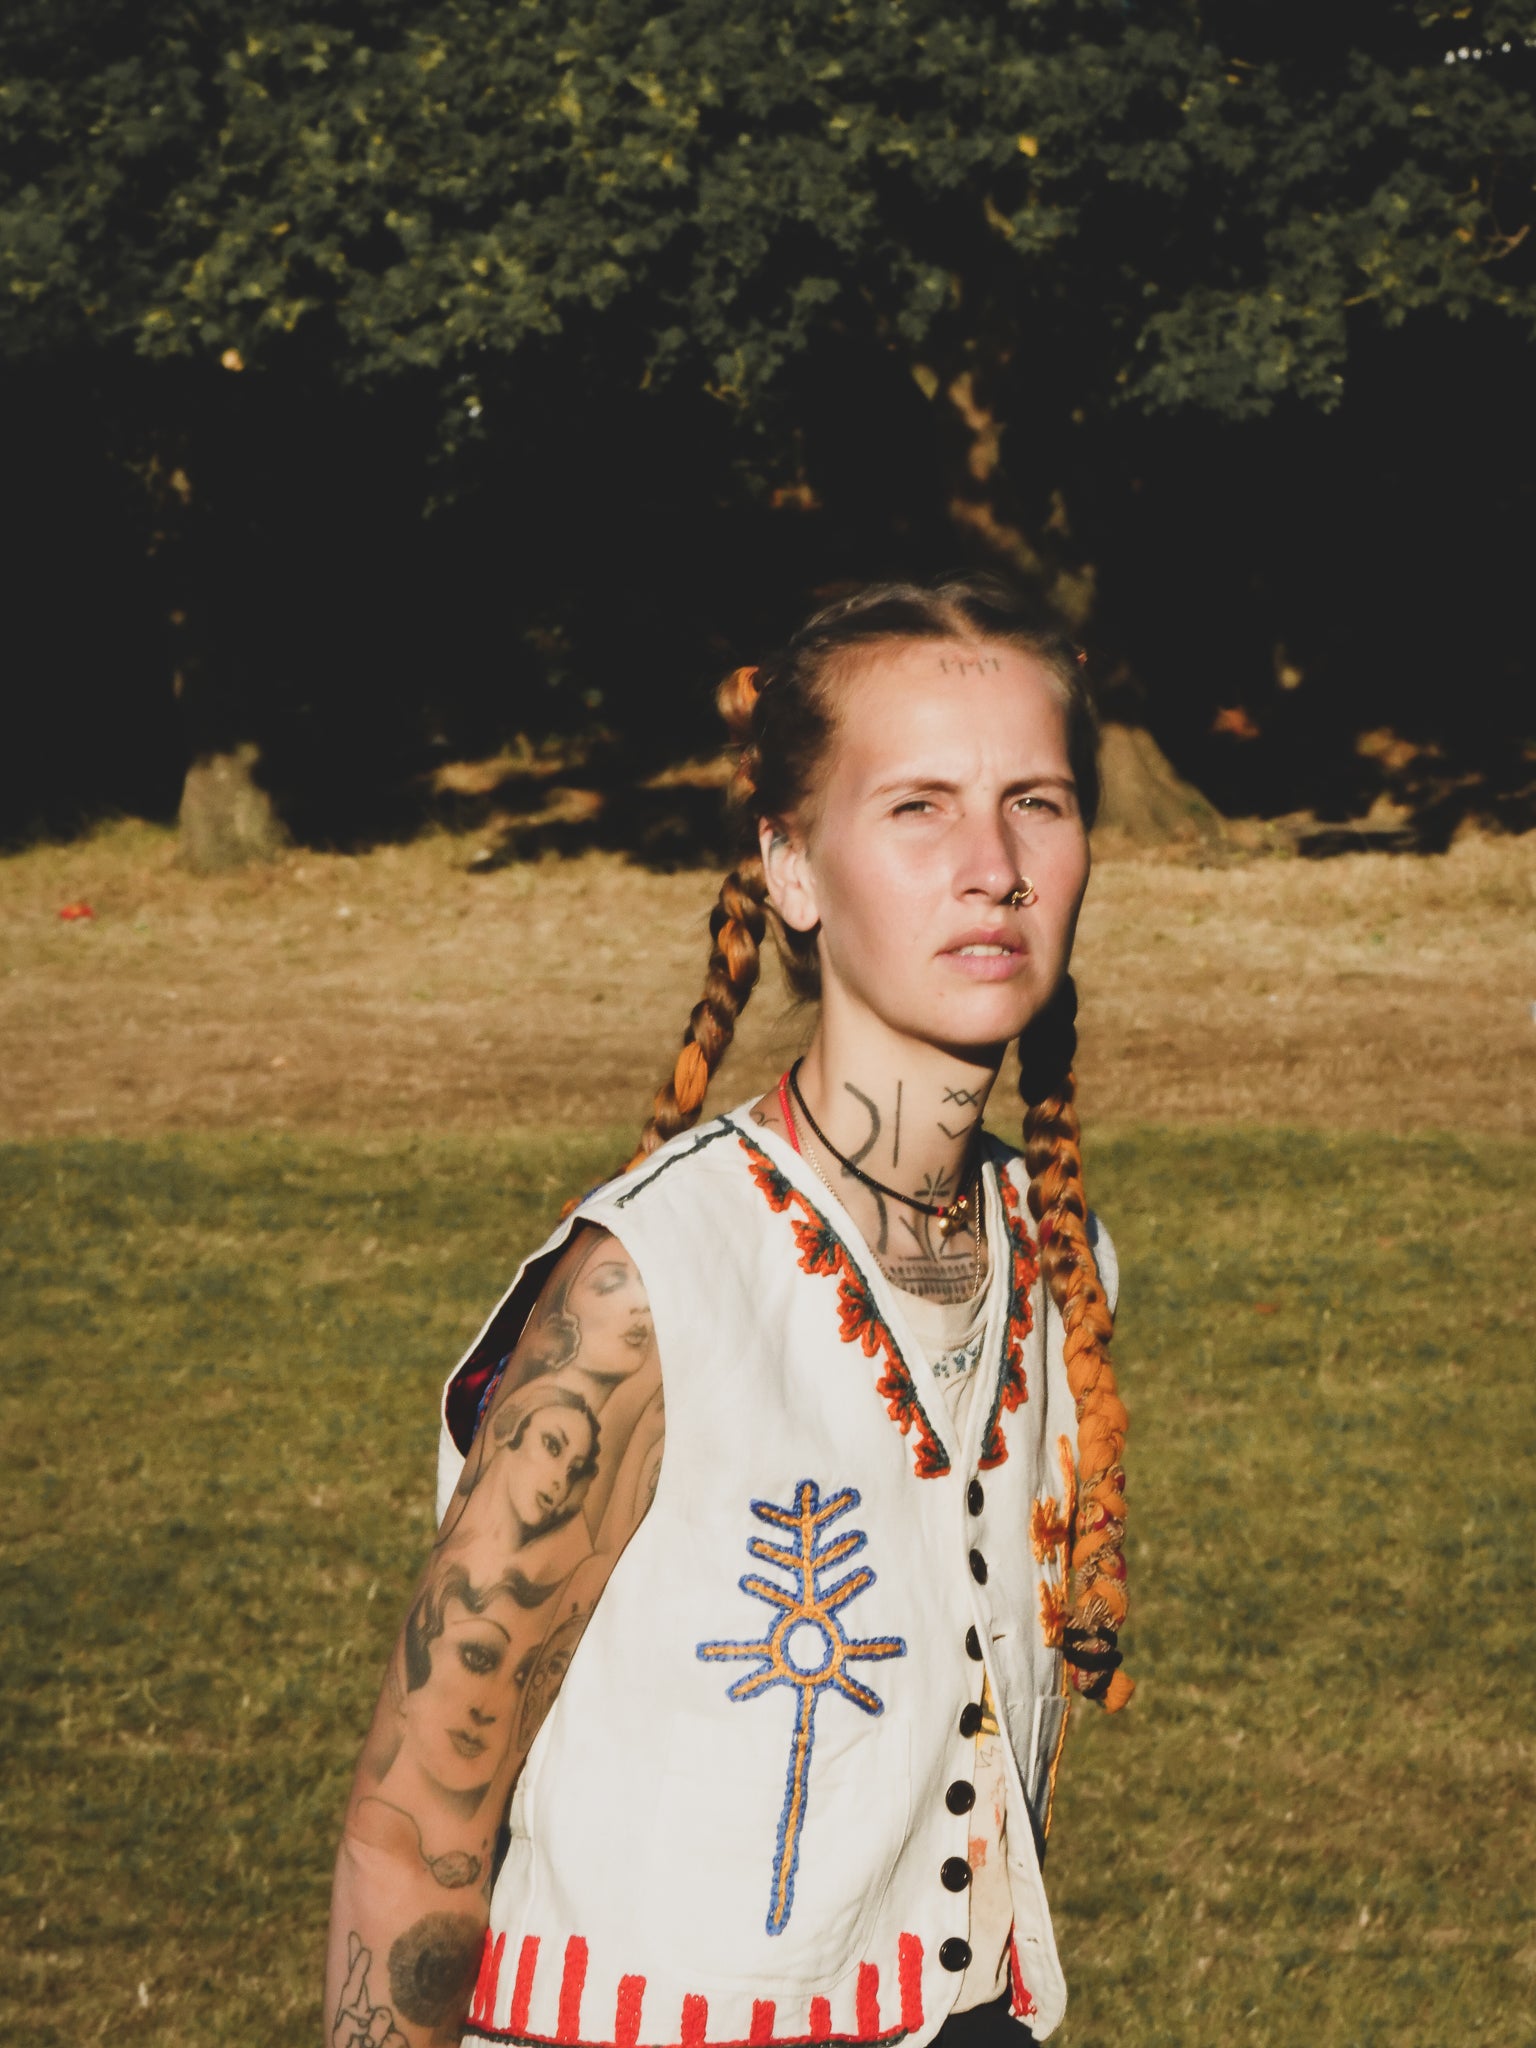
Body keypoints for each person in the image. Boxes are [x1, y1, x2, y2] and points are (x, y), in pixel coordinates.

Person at [326, 575, 1132, 2048]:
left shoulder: (1058, 1256)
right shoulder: (649, 1287)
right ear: (793, 870)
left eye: (1040, 801)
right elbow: (412, 1827)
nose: (994, 865)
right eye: (918, 808)